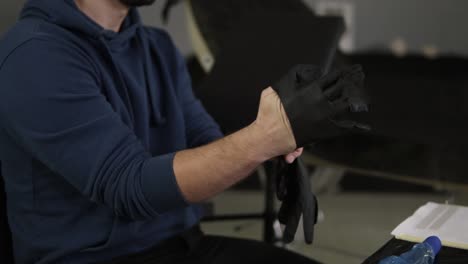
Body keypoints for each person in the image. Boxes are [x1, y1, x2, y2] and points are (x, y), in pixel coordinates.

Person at [0, 0, 314, 263]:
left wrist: (273, 148)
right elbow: (129, 188)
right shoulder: (36, 55)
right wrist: (259, 142)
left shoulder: (156, 46)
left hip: (182, 246)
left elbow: (208, 143)